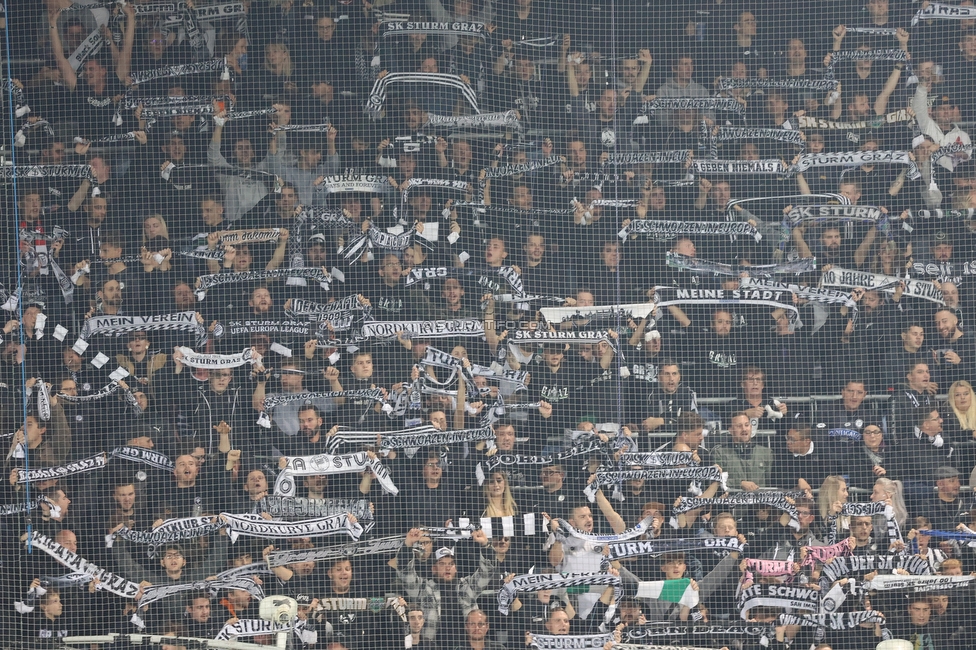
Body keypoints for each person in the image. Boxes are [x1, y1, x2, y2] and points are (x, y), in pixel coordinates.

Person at [711, 412, 773, 491]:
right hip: (731, 501)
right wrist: (739, 484)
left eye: (746, 425)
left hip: (760, 501)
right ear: (730, 430)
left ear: (751, 427)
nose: (744, 429)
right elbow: (716, 481)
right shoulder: (720, 453)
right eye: (739, 426)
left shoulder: (765, 453)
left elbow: (771, 482)